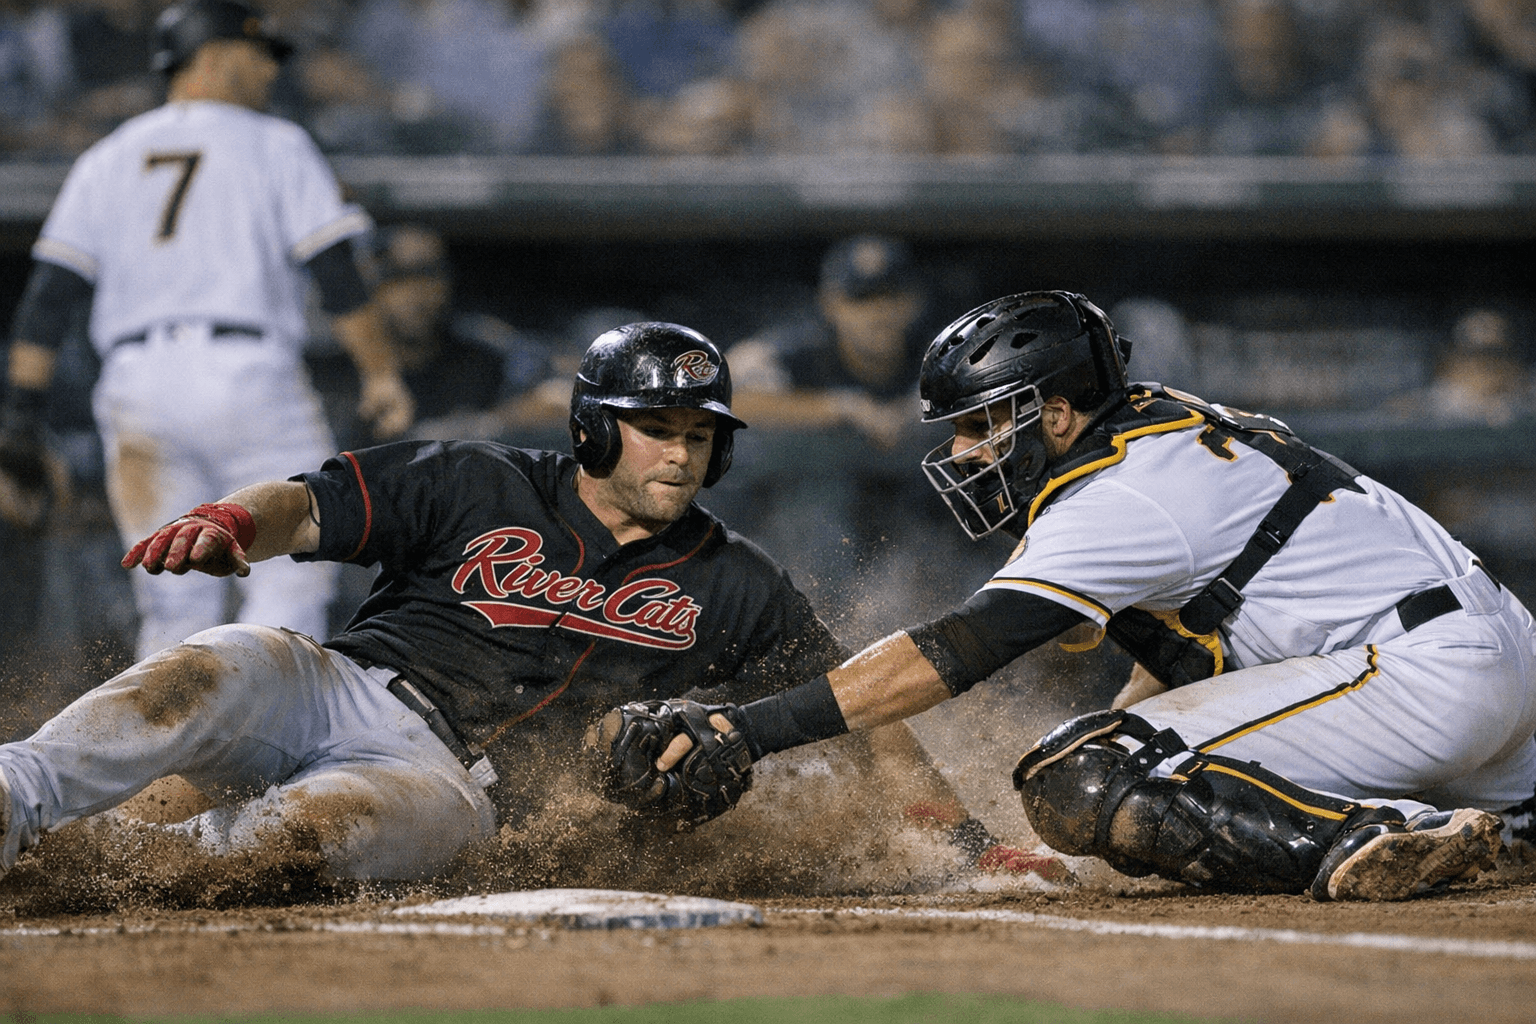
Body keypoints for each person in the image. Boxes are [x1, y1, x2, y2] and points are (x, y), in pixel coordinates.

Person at [0, 322, 1038, 891]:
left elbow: (858, 700)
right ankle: (17, 796)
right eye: (654, 426)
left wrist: (953, 825)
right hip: (336, 682)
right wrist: (235, 518)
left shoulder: (736, 577)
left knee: (307, 837)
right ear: (592, 429)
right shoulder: (476, 478)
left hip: (451, 782)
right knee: (203, 666)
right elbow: (310, 507)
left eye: (700, 432)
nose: (681, 451)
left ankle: (124, 866)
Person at [609, 290, 1536, 902]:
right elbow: (1173, 637)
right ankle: (1504, 826)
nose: (968, 449)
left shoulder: (1116, 495)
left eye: (981, 423)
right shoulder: (1156, 426)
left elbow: (957, 649)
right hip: (1492, 665)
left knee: (1076, 778)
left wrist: (750, 729)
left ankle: (1375, 838)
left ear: (1052, 413)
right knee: (1121, 758)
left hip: (1419, 680)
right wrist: (1144, 737)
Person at [0, 0, 414, 660]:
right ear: (216, 58)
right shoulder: (276, 142)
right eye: (258, 57)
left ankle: (166, 756)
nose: (268, 73)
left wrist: (20, 417)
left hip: (137, 388)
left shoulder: (108, 156)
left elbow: (49, 300)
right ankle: (273, 750)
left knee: (172, 598)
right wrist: (381, 373)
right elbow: (336, 272)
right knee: (290, 574)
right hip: (247, 377)